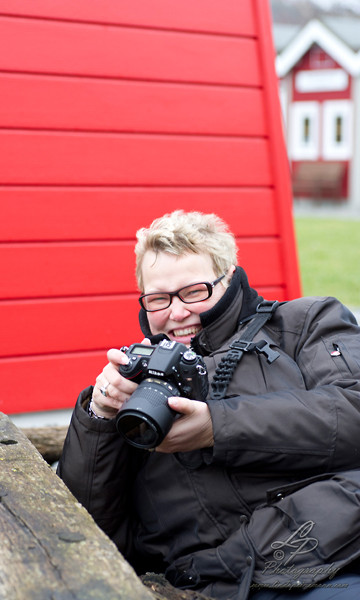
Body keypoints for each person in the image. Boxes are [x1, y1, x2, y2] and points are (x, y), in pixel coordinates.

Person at [57, 210, 360, 600]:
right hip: (209, 584)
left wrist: (217, 426)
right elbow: (88, 534)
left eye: (195, 292)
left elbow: (352, 409)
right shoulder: (138, 386)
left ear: (229, 278)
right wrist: (99, 415)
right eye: (158, 298)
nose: (177, 312)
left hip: (331, 554)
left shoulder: (303, 324)